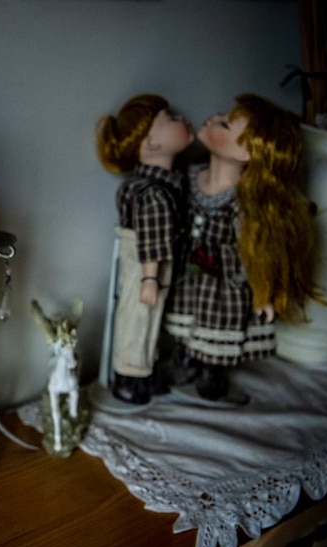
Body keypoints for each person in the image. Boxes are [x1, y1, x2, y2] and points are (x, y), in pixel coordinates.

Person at [164, 94, 322, 401]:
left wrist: (265, 295)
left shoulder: (245, 203)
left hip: (224, 283)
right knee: (186, 319)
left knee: (217, 326)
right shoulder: (191, 177)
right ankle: (186, 359)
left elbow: (258, 250)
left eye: (223, 124)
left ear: (247, 152)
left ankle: (211, 371)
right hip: (190, 273)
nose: (211, 118)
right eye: (220, 116)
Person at [96, 94, 194, 404]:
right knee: (138, 324)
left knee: (151, 326)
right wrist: (149, 279)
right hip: (146, 269)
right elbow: (150, 242)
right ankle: (129, 380)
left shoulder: (166, 185)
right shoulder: (153, 193)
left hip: (155, 269)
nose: (181, 119)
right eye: (171, 119)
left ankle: (145, 375)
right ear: (150, 144)